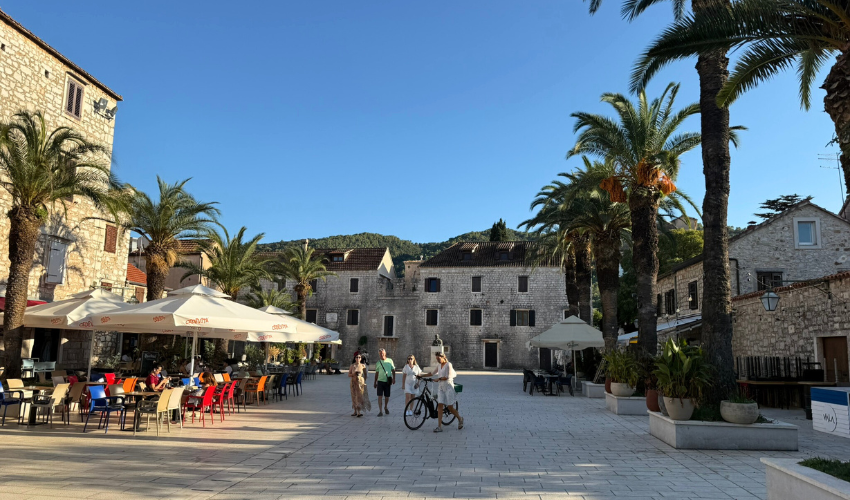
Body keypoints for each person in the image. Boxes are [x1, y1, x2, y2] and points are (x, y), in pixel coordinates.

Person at [421, 352, 463, 432]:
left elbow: (447, 376)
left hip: (448, 387)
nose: (438, 360)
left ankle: (460, 418)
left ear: (444, 357)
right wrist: (421, 375)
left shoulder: (448, 365)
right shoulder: (439, 366)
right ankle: (439, 426)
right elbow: (432, 373)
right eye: (437, 359)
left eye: (439, 358)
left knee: (450, 407)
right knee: (440, 405)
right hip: (441, 387)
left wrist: (439, 379)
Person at [373, 348, 395, 417]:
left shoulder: (390, 361)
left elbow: (393, 370)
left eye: (382, 353)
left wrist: (394, 378)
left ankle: (385, 407)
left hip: (387, 381)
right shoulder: (378, 363)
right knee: (379, 396)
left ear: (385, 353)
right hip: (380, 381)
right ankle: (380, 411)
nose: (381, 355)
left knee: (387, 396)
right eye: (380, 354)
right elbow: (376, 373)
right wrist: (375, 382)